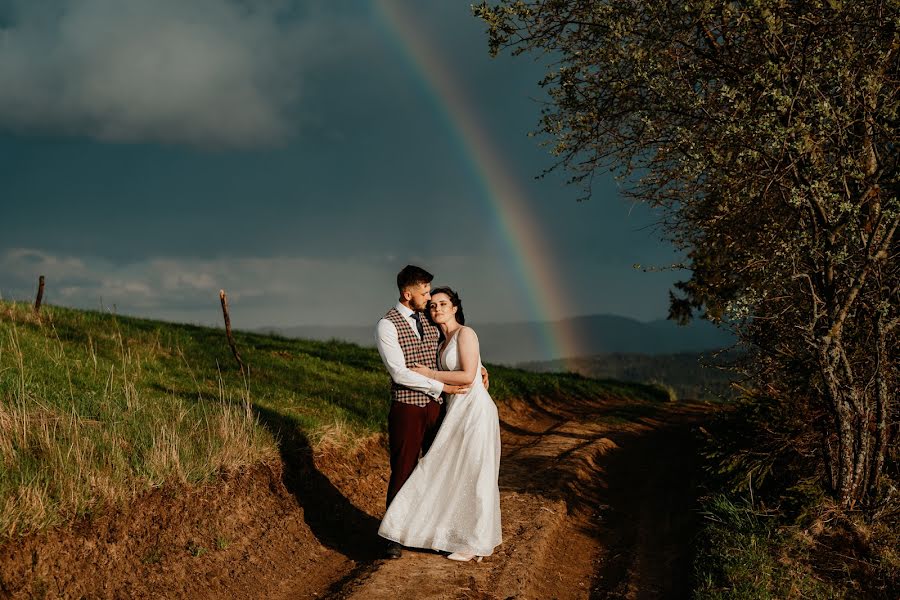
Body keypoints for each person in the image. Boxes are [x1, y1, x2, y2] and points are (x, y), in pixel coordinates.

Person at [378, 286, 502, 562]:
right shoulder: (440, 339)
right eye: (433, 305)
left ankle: (476, 542)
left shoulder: (466, 333)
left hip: (474, 411)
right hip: (455, 410)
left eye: (443, 304)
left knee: (475, 474)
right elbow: (469, 368)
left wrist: (433, 374)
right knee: (453, 471)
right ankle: (443, 531)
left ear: (455, 307)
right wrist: (479, 367)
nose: (437, 309)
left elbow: (469, 375)